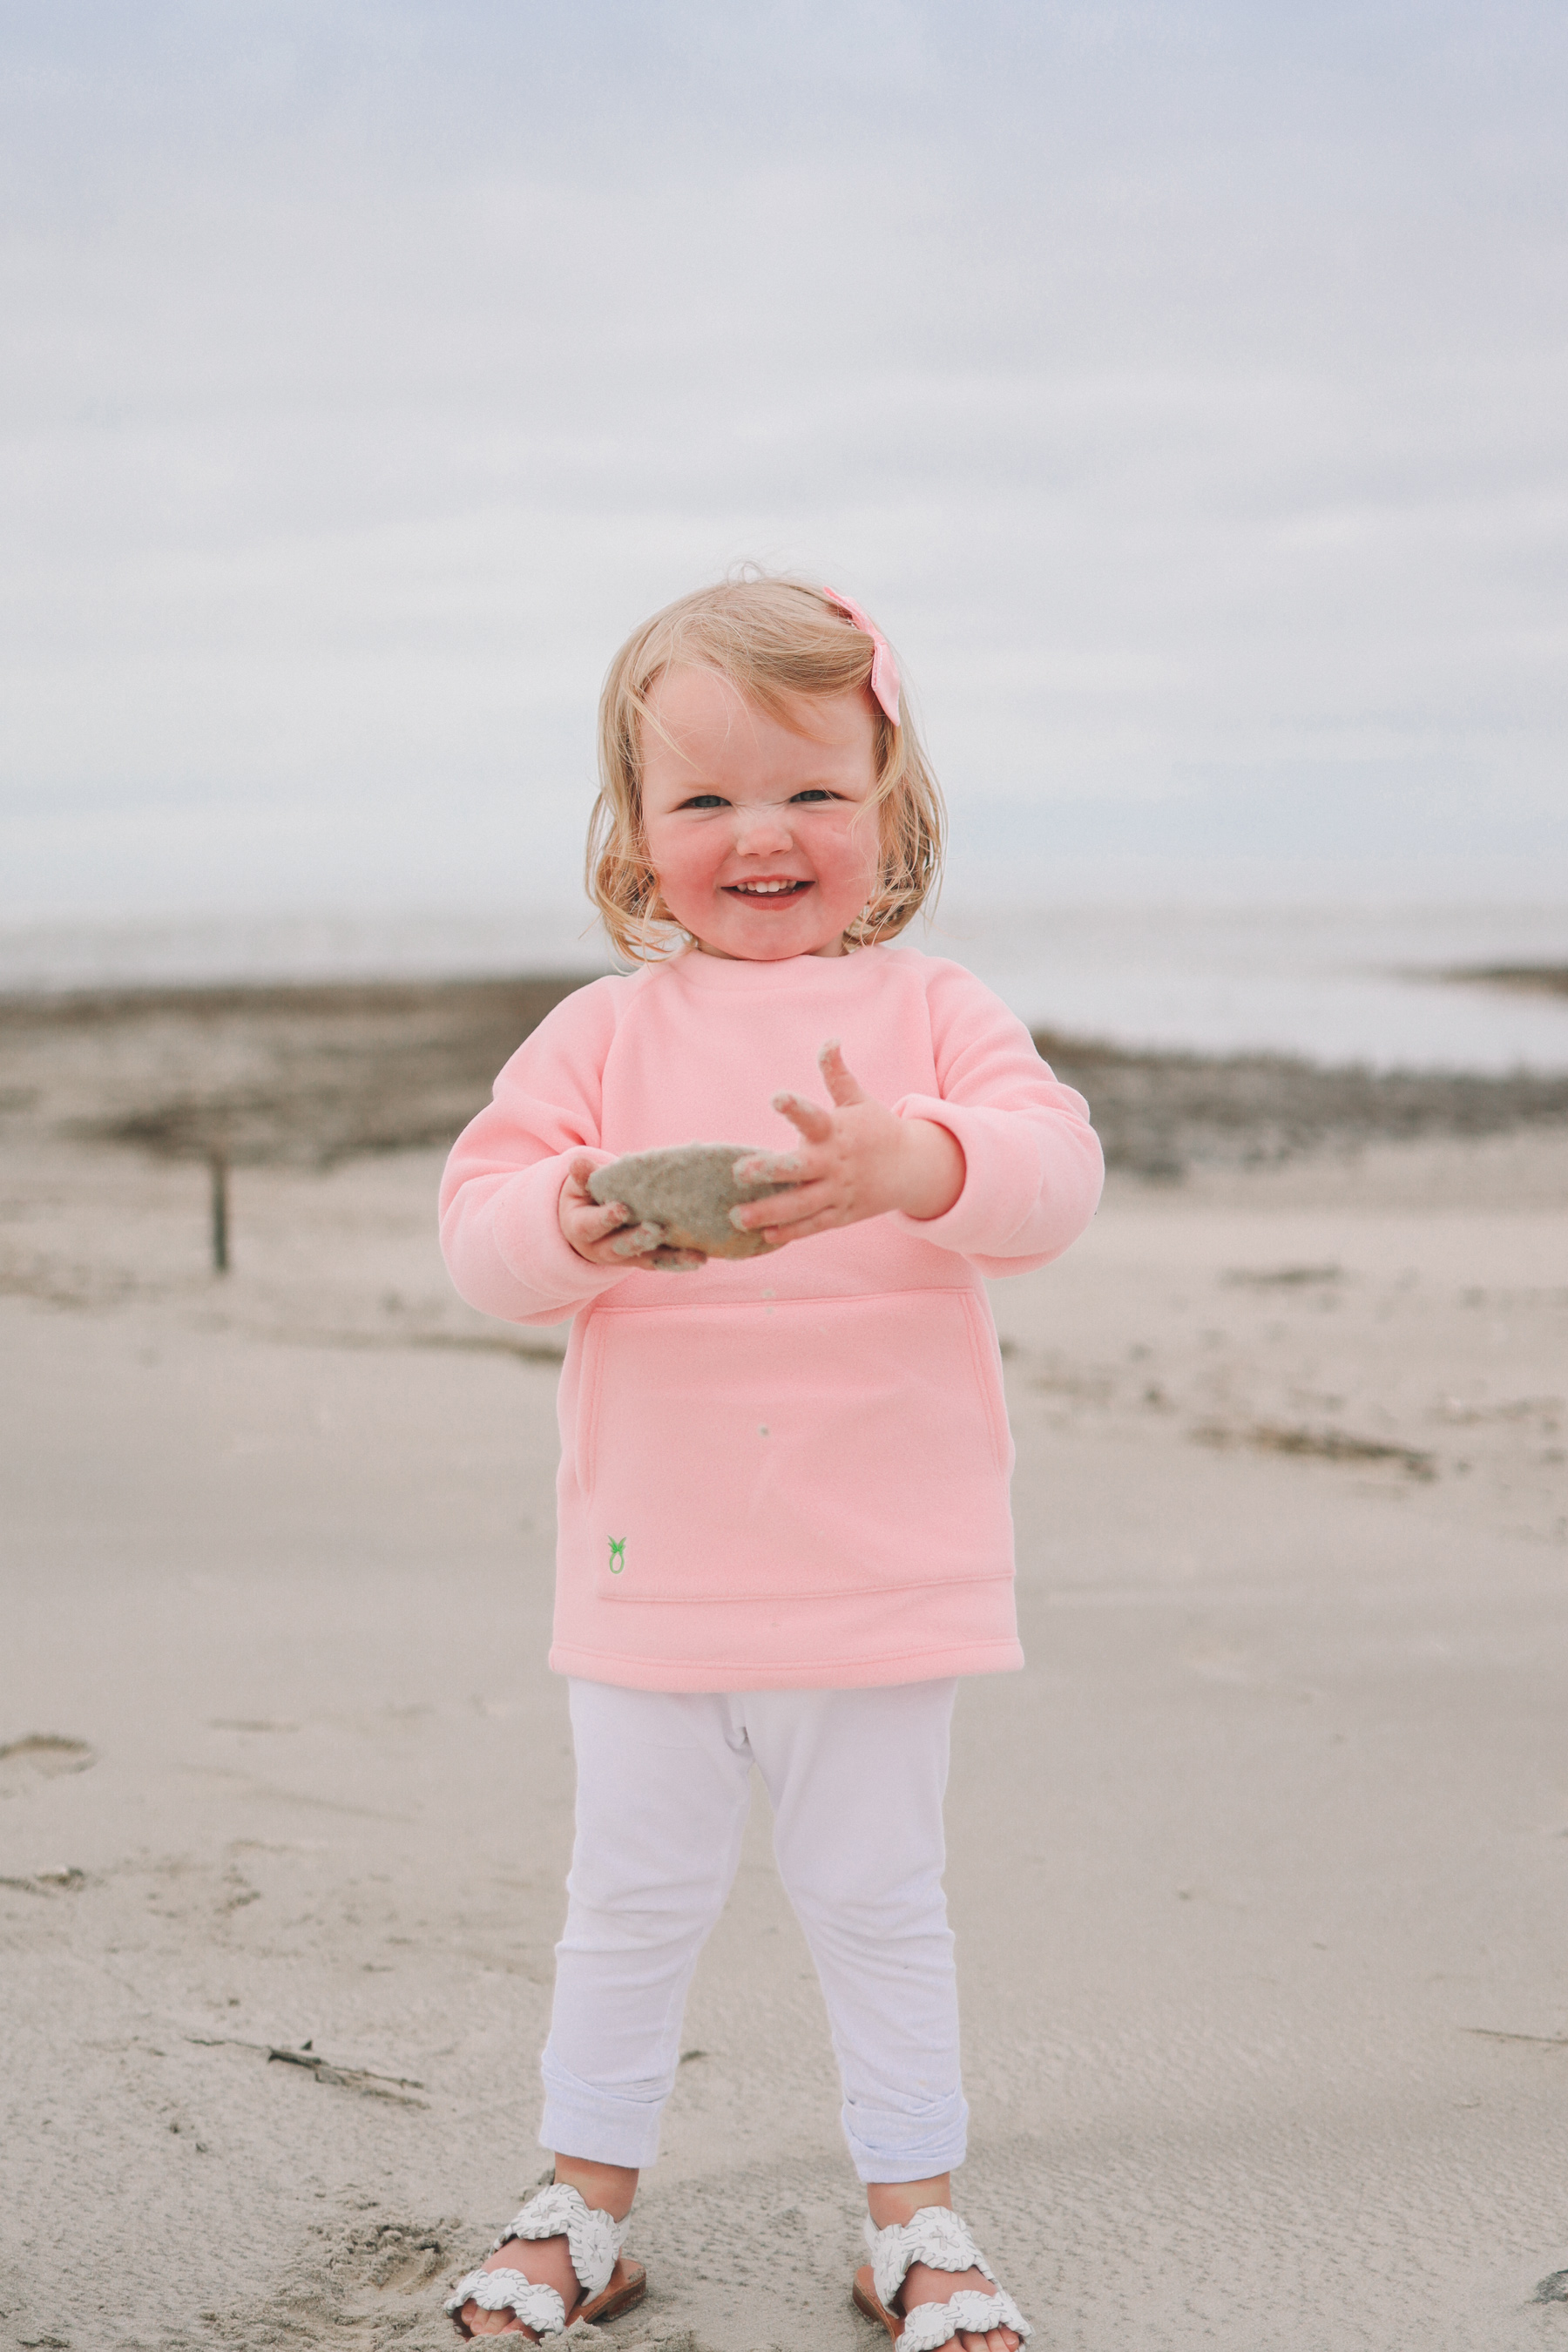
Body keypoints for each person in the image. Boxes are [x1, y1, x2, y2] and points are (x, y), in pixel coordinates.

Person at [437, 577, 1104, 2348]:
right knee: (630, 1900)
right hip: (657, 1571)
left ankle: (916, 2215)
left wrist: (924, 1162)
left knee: (880, 1901)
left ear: (891, 812)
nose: (763, 835)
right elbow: (480, 1244)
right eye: (708, 798)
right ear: (635, 831)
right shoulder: (599, 1037)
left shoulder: (936, 1013)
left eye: (814, 789)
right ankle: (581, 2204)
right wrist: (571, 1219)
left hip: (880, 1570)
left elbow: (1054, 1177)